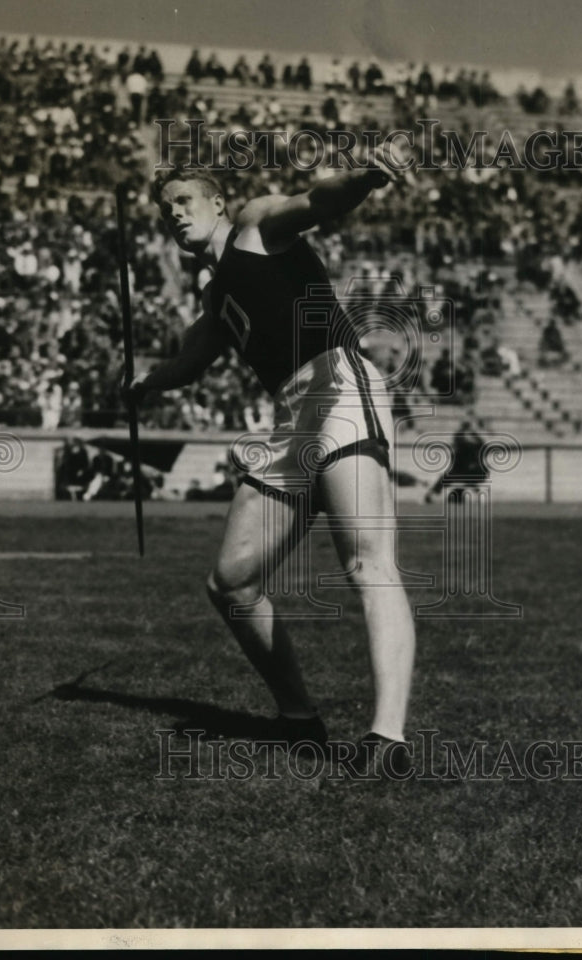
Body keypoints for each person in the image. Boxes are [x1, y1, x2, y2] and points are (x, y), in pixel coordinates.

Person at [126, 149, 416, 776]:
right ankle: (298, 718)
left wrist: (366, 177)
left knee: (367, 560)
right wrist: (145, 383)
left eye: (185, 202)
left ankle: (387, 741)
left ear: (217, 203)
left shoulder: (256, 228)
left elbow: (319, 201)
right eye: (166, 209)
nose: (175, 215)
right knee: (230, 581)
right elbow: (191, 362)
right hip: (290, 416)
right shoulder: (217, 291)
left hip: (338, 385)